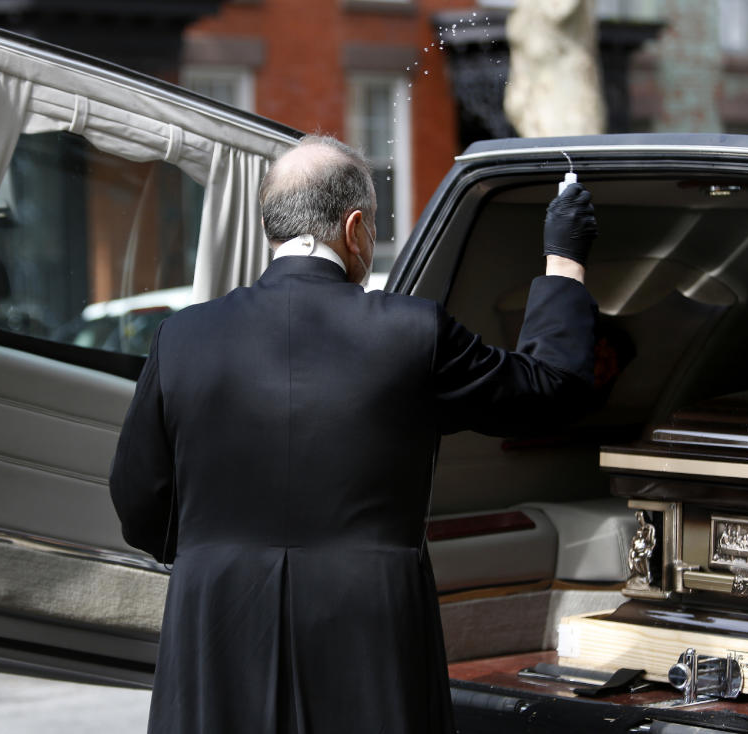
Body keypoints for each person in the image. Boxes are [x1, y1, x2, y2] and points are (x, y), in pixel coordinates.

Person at [109, 134, 598, 734]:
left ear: (273, 230)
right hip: (370, 626)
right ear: (357, 227)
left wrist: (217, 557)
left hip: (216, 624)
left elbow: (137, 501)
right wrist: (563, 257)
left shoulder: (180, 337)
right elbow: (550, 390)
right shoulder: (412, 333)